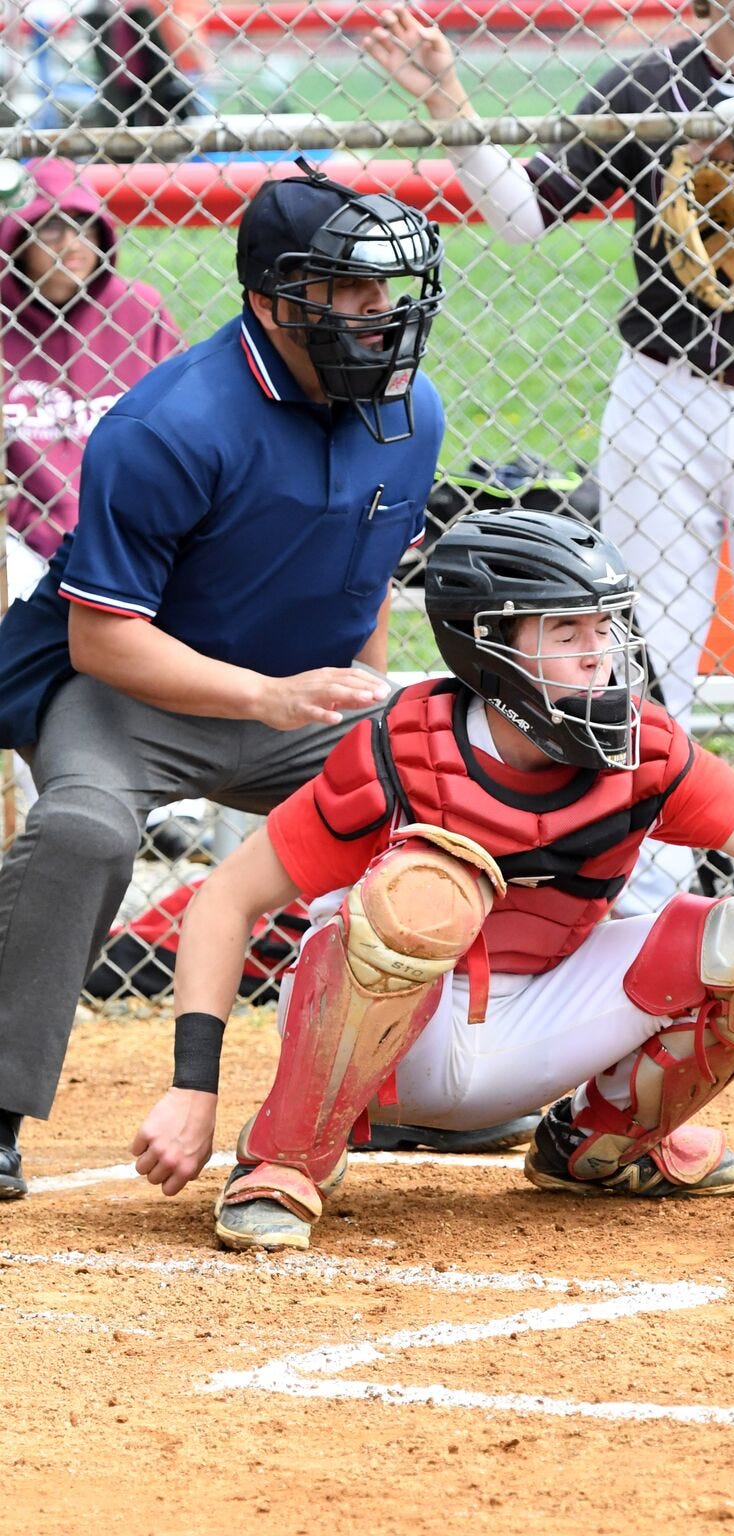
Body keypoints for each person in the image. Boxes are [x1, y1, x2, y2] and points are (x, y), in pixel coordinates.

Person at [130, 509, 734, 1255]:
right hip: (391, 1044)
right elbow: (225, 900)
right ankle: (286, 1154)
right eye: (566, 632)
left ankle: (598, 1146)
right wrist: (192, 1087)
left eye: (605, 627)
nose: (600, 654)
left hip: (540, 1021)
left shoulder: (641, 750)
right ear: (489, 645)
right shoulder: (401, 751)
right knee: (428, 889)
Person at [0, 159, 533, 1201]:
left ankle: (413, 1090)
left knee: (446, 814)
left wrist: (365, 701)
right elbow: (104, 639)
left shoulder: (408, 409)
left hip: (301, 697)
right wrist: (264, 699)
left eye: (388, 291)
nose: (380, 315)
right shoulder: (170, 426)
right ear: (272, 297)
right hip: (128, 699)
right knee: (84, 832)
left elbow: (369, 576)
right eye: (348, 291)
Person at [363, 0, 734, 975]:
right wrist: (449, 98)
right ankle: (642, 897)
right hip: (663, 398)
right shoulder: (650, 83)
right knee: (650, 662)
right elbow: (525, 215)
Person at [1, 157, 183, 560]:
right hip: (19, 542)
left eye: (83, 224)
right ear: (17, 240)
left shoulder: (140, 310)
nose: (70, 244)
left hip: (132, 528)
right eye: (50, 226)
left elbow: (184, 433)